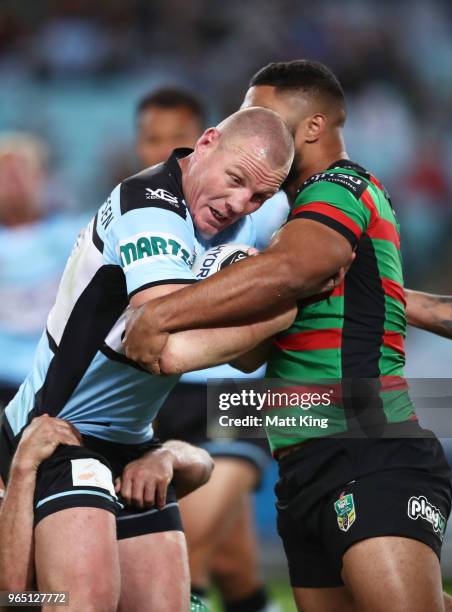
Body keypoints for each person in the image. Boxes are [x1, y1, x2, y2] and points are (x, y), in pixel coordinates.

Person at [124, 60, 452, 612]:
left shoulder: (339, 186)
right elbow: (253, 351)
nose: (254, 129)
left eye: (266, 115)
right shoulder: (284, 215)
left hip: (365, 446)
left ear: (314, 127)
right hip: (302, 462)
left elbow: (305, 263)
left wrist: (163, 316)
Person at [0, 106, 295, 612]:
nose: (241, 203)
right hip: (58, 435)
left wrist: (169, 454)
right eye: (237, 180)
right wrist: (283, 310)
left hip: (140, 440)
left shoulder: (250, 213)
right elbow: (158, 339)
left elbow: (245, 361)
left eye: (259, 194)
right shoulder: (147, 207)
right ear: (206, 145)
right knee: (69, 601)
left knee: (195, 585)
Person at [136, 86, 285, 611]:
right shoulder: (140, 213)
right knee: (234, 568)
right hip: (155, 399)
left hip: (234, 397)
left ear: (206, 141)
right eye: (151, 138)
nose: (162, 149)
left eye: (175, 137)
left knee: (182, 556)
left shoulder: (263, 209)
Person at [0, 415, 213, 599]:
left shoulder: (122, 460)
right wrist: (23, 467)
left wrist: (166, 455)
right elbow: (12, 597)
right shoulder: (25, 460)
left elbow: (203, 466)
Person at [0, 132, 84, 409]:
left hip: (58, 381)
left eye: (21, 171)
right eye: (4, 172)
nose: (13, 181)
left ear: (42, 178)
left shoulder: (80, 236)